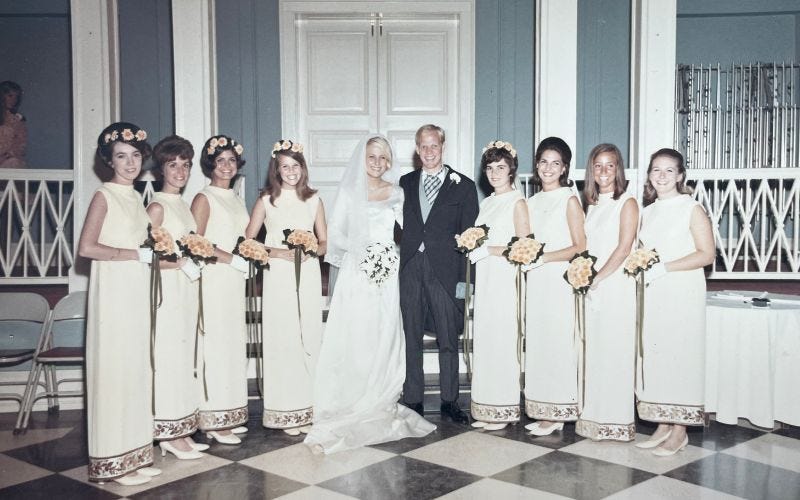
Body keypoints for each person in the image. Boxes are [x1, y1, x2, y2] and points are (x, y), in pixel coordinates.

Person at [304, 135, 436, 453]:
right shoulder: (350, 192)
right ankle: (352, 395)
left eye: (383, 158)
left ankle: (381, 396)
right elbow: (336, 236)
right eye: (372, 157)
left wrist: (399, 254)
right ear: (362, 159)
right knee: (358, 331)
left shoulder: (398, 192)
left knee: (384, 331)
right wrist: (363, 253)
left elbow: (412, 228)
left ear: (389, 162)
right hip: (357, 271)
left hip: (388, 271)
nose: (377, 163)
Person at [78, 122, 160, 485]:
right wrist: (134, 254)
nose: (129, 163)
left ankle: (136, 454)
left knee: (135, 369)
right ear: (109, 162)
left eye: (135, 156)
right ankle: (113, 460)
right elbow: (86, 248)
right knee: (114, 373)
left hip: (134, 290)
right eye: (121, 157)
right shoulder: (104, 195)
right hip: (113, 292)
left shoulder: (137, 196)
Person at [635, 148, 714, 456]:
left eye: (669, 170)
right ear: (650, 176)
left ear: (681, 175)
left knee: (680, 357)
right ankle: (663, 423)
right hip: (655, 293)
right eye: (656, 170)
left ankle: (680, 430)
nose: (662, 176)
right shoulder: (649, 210)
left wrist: (665, 267)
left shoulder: (690, 208)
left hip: (682, 290)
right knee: (658, 357)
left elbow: (707, 254)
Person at [245, 139, 326, 435]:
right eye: (285, 167)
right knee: (284, 337)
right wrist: (278, 253)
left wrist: (310, 250)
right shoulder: (267, 200)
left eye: (296, 166)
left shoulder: (314, 199)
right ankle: (285, 410)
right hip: (278, 273)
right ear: (276, 171)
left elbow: (324, 241)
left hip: (307, 273)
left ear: (303, 168)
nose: (291, 171)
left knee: (308, 335)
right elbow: (248, 241)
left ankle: (308, 407)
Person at [399, 124, 479, 424]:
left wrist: (464, 284)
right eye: (423, 146)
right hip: (410, 269)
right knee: (411, 336)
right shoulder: (404, 183)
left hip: (446, 272)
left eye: (434, 146)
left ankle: (449, 400)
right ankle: (414, 399)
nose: (429, 152)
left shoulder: (464, 186)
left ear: (442, 147)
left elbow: (470, 237)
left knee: (448, 338)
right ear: (417, 150)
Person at [147, 135, 207, 459]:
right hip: (168, 293)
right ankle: (168, 434)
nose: (180, 171)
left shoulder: (182, 205)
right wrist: (180, 262)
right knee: (170, 360)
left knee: (185, 360)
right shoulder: (157, 206)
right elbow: (144, 256)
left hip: (186, 290)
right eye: (173, 165)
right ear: (161, 169)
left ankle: (182, 428)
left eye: (185, 165)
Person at [576, 143, 638, 442]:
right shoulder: (592, 203)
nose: (603, 171)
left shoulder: (626, 202)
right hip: (594, 284)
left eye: (609, 165)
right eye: (597, 165)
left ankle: (616, 420)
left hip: (614, 285)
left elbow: (624, 247)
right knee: (595, 352)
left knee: (614, 351)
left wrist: (598, 277)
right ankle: (595, 417)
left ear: (618, 169)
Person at [524, 137, 586, 436]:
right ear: (537, 165)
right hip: (536, 279)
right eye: (544, 162)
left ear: (564, 169)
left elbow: (580, 246)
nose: (549, 168)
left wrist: (543, 258)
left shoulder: (569, 199)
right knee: (540, 343)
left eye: (556, 163)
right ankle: (543, 408)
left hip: (558, 279)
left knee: (558, 343)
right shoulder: (531, 202)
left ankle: (559, 411)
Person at [191, 135, 250, 445]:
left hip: (232, 280)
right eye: (220, 161)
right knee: (214, 346)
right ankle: (212, 419)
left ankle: (227, 413)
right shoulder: (204, 198)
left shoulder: (235, 198)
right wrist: (231, 259)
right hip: (214, 277)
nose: (227, 166)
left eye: (231, 160)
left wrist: (247, 258)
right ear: (210, 165)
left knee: (230, 345)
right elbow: (196, 243)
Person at [468, 140, 529, 430]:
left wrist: (489, 250)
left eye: (500, 168)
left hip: (505, 278)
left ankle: (504, 409)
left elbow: (524, 247)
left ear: (511, 170)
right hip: (487, 277)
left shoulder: (517, 202)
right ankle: (487, 408)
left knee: (502, 342)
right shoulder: (488, 202)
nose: (494, 173)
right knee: (486, 340)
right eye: (490, 168)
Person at [0, 81, 27, 168]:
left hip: (8, 161)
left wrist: (9, 154)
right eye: (10, 96)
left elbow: (21, 144)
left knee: (14, 163)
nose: (13, 100)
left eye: (16, 97)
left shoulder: (18, 120)